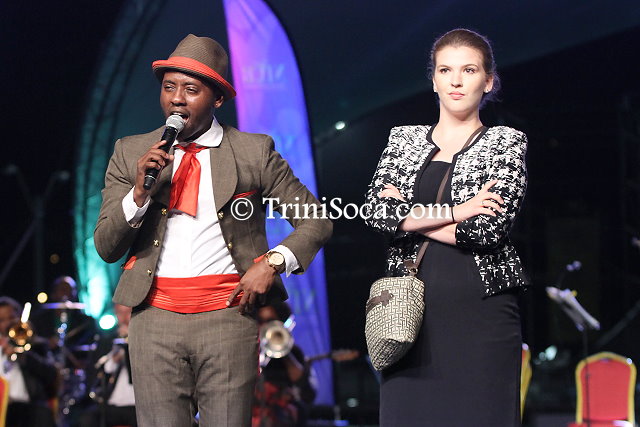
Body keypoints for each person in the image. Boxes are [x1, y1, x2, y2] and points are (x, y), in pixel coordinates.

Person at [94, 34, 332, 427]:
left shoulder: (253, 151)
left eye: (191, 90)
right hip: (153, 318)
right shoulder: (130, 151)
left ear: (218, 98)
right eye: (169, 87)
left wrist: (273, 262)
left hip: (228, 316)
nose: (177, 99)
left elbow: (316, 219)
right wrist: (138, 193)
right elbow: (106, 246)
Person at [365, 28, 528, 426]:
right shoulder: (403, 140)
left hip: (481, 313)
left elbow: (486, 231)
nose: (456, 80)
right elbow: (376, 215)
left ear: (488, 81)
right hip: (406, 315)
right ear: (434, 80)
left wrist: (408, 217)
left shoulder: (506, 142)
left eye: (468, 70)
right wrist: (459, 211)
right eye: (445, 70)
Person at [253, 303, 316, 427]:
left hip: (281, 417)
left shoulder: (294, 352)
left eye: (270, 321)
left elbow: (306, 390)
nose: (264, 325)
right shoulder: (249, 351)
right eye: (260, 321)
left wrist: (283, 350)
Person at [0, 297, 58, 427]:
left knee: (41, 415)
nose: (7, 323)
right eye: (1, 320)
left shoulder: (36, 344)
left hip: (28, 406)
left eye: (11, 318)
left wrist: (22, 355)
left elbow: (51, 374)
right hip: (1, 406)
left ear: (19, 317)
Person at [80, 304, 136, 427]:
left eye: (128, 312)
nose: (124, 318)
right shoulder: (107, 340)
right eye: (120, 313)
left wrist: (131, 340)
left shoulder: (142, 340)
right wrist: (115, 357)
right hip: (112, 403)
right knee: (86, 419)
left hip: (136, 404)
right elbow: (97, 371)